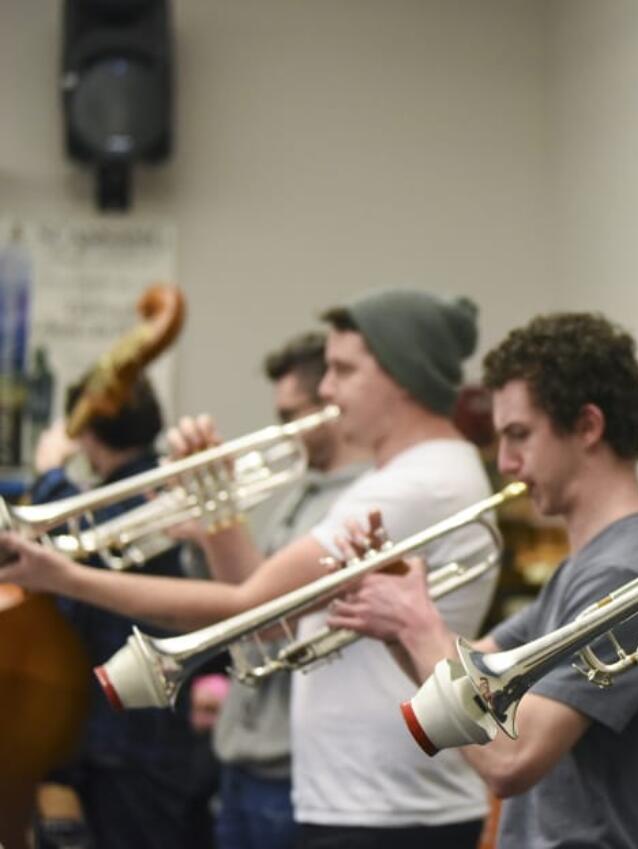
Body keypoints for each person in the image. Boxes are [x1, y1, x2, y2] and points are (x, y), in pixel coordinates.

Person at [0, 289, 499, 849]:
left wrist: (61, 575)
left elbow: (250, 607)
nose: (328, 389)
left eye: (342, 369)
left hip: (390, 806)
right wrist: (215, 503)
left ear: (401, 374)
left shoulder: (416, 483)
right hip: (361, 796)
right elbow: (261, 610)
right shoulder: (397, 477)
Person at [328, 313, 638, 849]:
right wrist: (391, 616)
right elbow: (467, 680)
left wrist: (416, 623)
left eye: (520, 435)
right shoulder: (586, 568)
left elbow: (511, 758)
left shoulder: (630, 572)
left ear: (588, 427)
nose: (506, 463)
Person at [28, 375, 215, 849]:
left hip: (136, 738)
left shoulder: (145, 492)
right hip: (113, 731)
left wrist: (51, 471)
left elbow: (79, 548)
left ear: (86, 433)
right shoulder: (130, 489)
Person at [198, 332, 366, 849]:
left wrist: (219, 512)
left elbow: (269, 619)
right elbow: (243, 598)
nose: (282, 432)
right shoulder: (302, 491)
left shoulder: (360, 499)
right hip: (242, 758)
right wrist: (211, 524)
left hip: (290, 768)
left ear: (330, 407)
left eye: (292, 415)